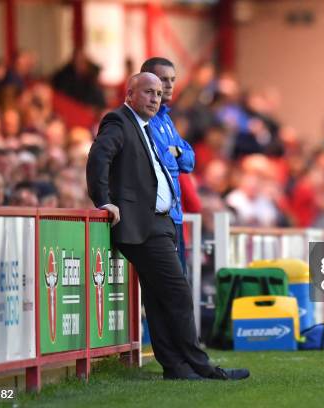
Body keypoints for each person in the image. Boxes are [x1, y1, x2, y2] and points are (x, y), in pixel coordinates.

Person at [86, 72, 248, 380]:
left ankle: (175, 367)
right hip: (142, 226)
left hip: (160, 222)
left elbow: (184, 160)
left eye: (159, 94)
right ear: (129, 93)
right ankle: (201, 366)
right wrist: (103, 201)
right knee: (178, 293)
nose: (154, 98)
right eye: (148, 92)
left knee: (160, 299)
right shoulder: (118, 121)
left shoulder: (148, 127)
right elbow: (98, 158)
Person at [140, 57, 195, 275]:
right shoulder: (145, 120)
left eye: (172, 79)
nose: (170, 85)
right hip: (158, 219)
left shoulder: (166, 120)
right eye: (164, 79)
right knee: (173, 292)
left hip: (175, 216)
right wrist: (176, 152)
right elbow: (163, 157)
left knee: (181, 286)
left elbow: (189, 160)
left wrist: (177, 152)